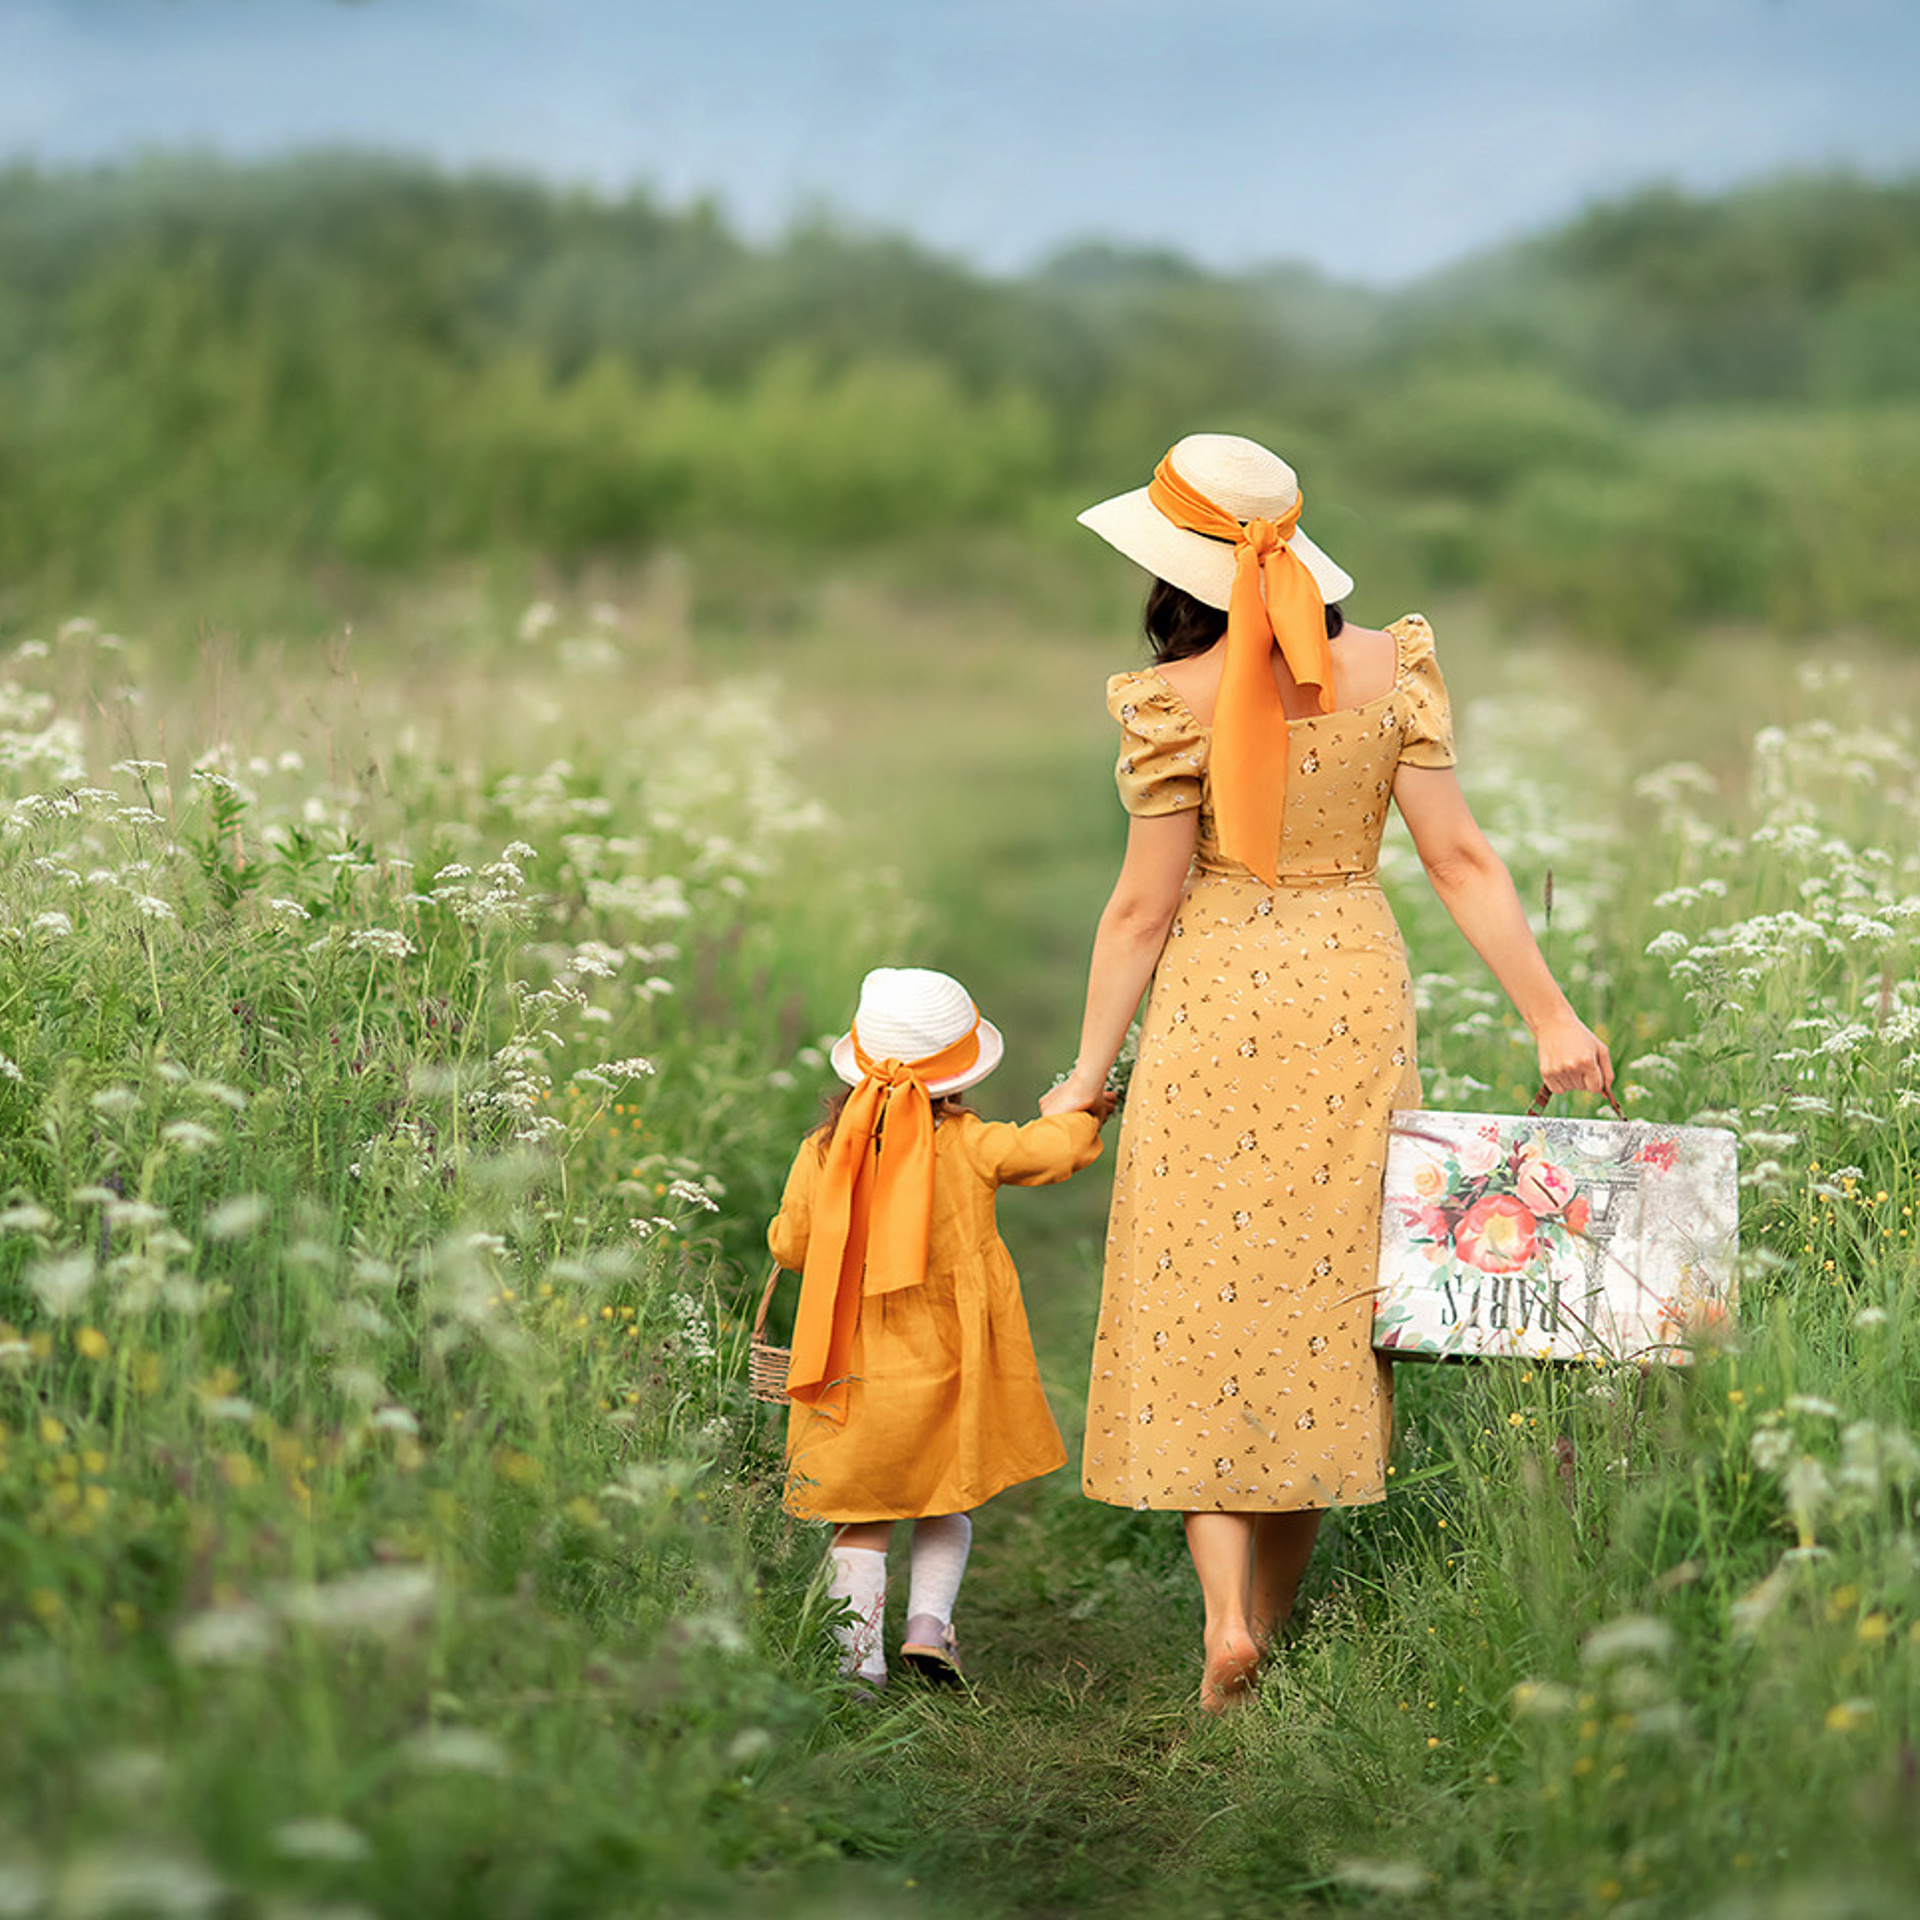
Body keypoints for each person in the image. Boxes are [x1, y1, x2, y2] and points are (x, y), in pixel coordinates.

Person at [1039, 433, 1612, 1712]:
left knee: (1200, 1294)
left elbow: (1139, 912)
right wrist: (1551, 1015)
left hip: (1218, 984)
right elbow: (1462, 860)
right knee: (1327, 1299)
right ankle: (1277, 1628)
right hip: (1353, 984)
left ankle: (1224, 1621)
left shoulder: (1169, 698)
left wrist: (1085, 1075)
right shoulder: (1390, 669)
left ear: (1173, 566)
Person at [772, 965, 1117, 1694]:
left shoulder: (823, 1151)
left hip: (852, 1367)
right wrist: (1088, 1110)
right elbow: (1049, 1153)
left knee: (860, 1520)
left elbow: (792, 1248)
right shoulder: (971, 1144)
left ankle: (856, 1665)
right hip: (949, 1358)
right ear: (959, 1075)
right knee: (944, 1497)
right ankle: (929, 1628)